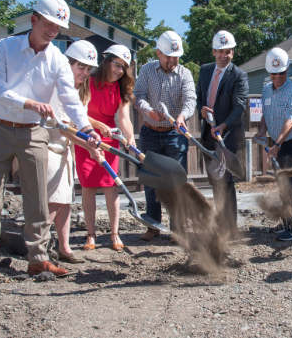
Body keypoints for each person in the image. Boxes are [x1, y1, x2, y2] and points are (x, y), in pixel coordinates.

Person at [0, 0, 101, 290]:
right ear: (34, 20)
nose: (53, 31)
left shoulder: (57, 60)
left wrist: (87, 127)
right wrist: (29, 102)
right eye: (49, 24)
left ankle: (38, 258)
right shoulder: (5, 48)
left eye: (58, 27)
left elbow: (69, 98)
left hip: (33, 133)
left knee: (38, 200)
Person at [134, 31, 196, 241]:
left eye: (176, 56)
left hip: (174, 135)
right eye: (169, 56)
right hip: (150, 133)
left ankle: (178, 230)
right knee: (152, 183)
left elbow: (190, 99)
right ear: (158, 53)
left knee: (176, 182)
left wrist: (182, 116)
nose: (173, 60)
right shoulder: (146, 70)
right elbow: (139, 95)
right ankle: (153, 226)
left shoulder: (185, 74)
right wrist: (148, 112)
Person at [74, 44, 136, 253]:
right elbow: (79, 113)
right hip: (86, 136)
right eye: (117, 64)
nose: (120, 70)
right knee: (88, 186)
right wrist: (98, 127)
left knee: (111, 186)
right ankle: (91, 235)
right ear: (106, 61)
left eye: (123, 67)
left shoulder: (121, 88)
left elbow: (125, 118)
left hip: (109, 140)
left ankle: (114, 233)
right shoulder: (88, 82)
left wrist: (130, 139)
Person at [47, 40, 103, 264]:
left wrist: (89, 142)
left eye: (89, 69)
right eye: (81, 67)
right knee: (54, 200)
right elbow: (64, 127)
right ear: (68, 63)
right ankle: (37, 249)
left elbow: (78, 124)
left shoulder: (80, 90)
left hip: (65, 150)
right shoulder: (56, 87)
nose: (85, 72)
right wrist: (89, 147)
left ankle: (64, 247)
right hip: (50, 146)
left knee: (66, 200)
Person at [254, 48, 292, 241]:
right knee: (282, 182)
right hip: (279, 142)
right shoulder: (266, 89)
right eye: (274, 73)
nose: (278, 76)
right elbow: (265, 112)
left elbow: (290, 121)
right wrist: (262, 130)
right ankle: (286, 221)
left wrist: (277, 144)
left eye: (282, 73)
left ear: (287, 70)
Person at [196, 30, 249, 238]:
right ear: (213, 51)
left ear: (233, 53)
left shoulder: (239, 75)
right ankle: (221, 223)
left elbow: (239, 107)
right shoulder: (205, 70)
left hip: (227, 135)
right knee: (214, 179)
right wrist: (201, 109)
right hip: (209, 135)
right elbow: (200, 97)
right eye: (220, 51)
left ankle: (230, 227)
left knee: (225, 180)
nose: (224, 55)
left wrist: (223, 125)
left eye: (228, 51)